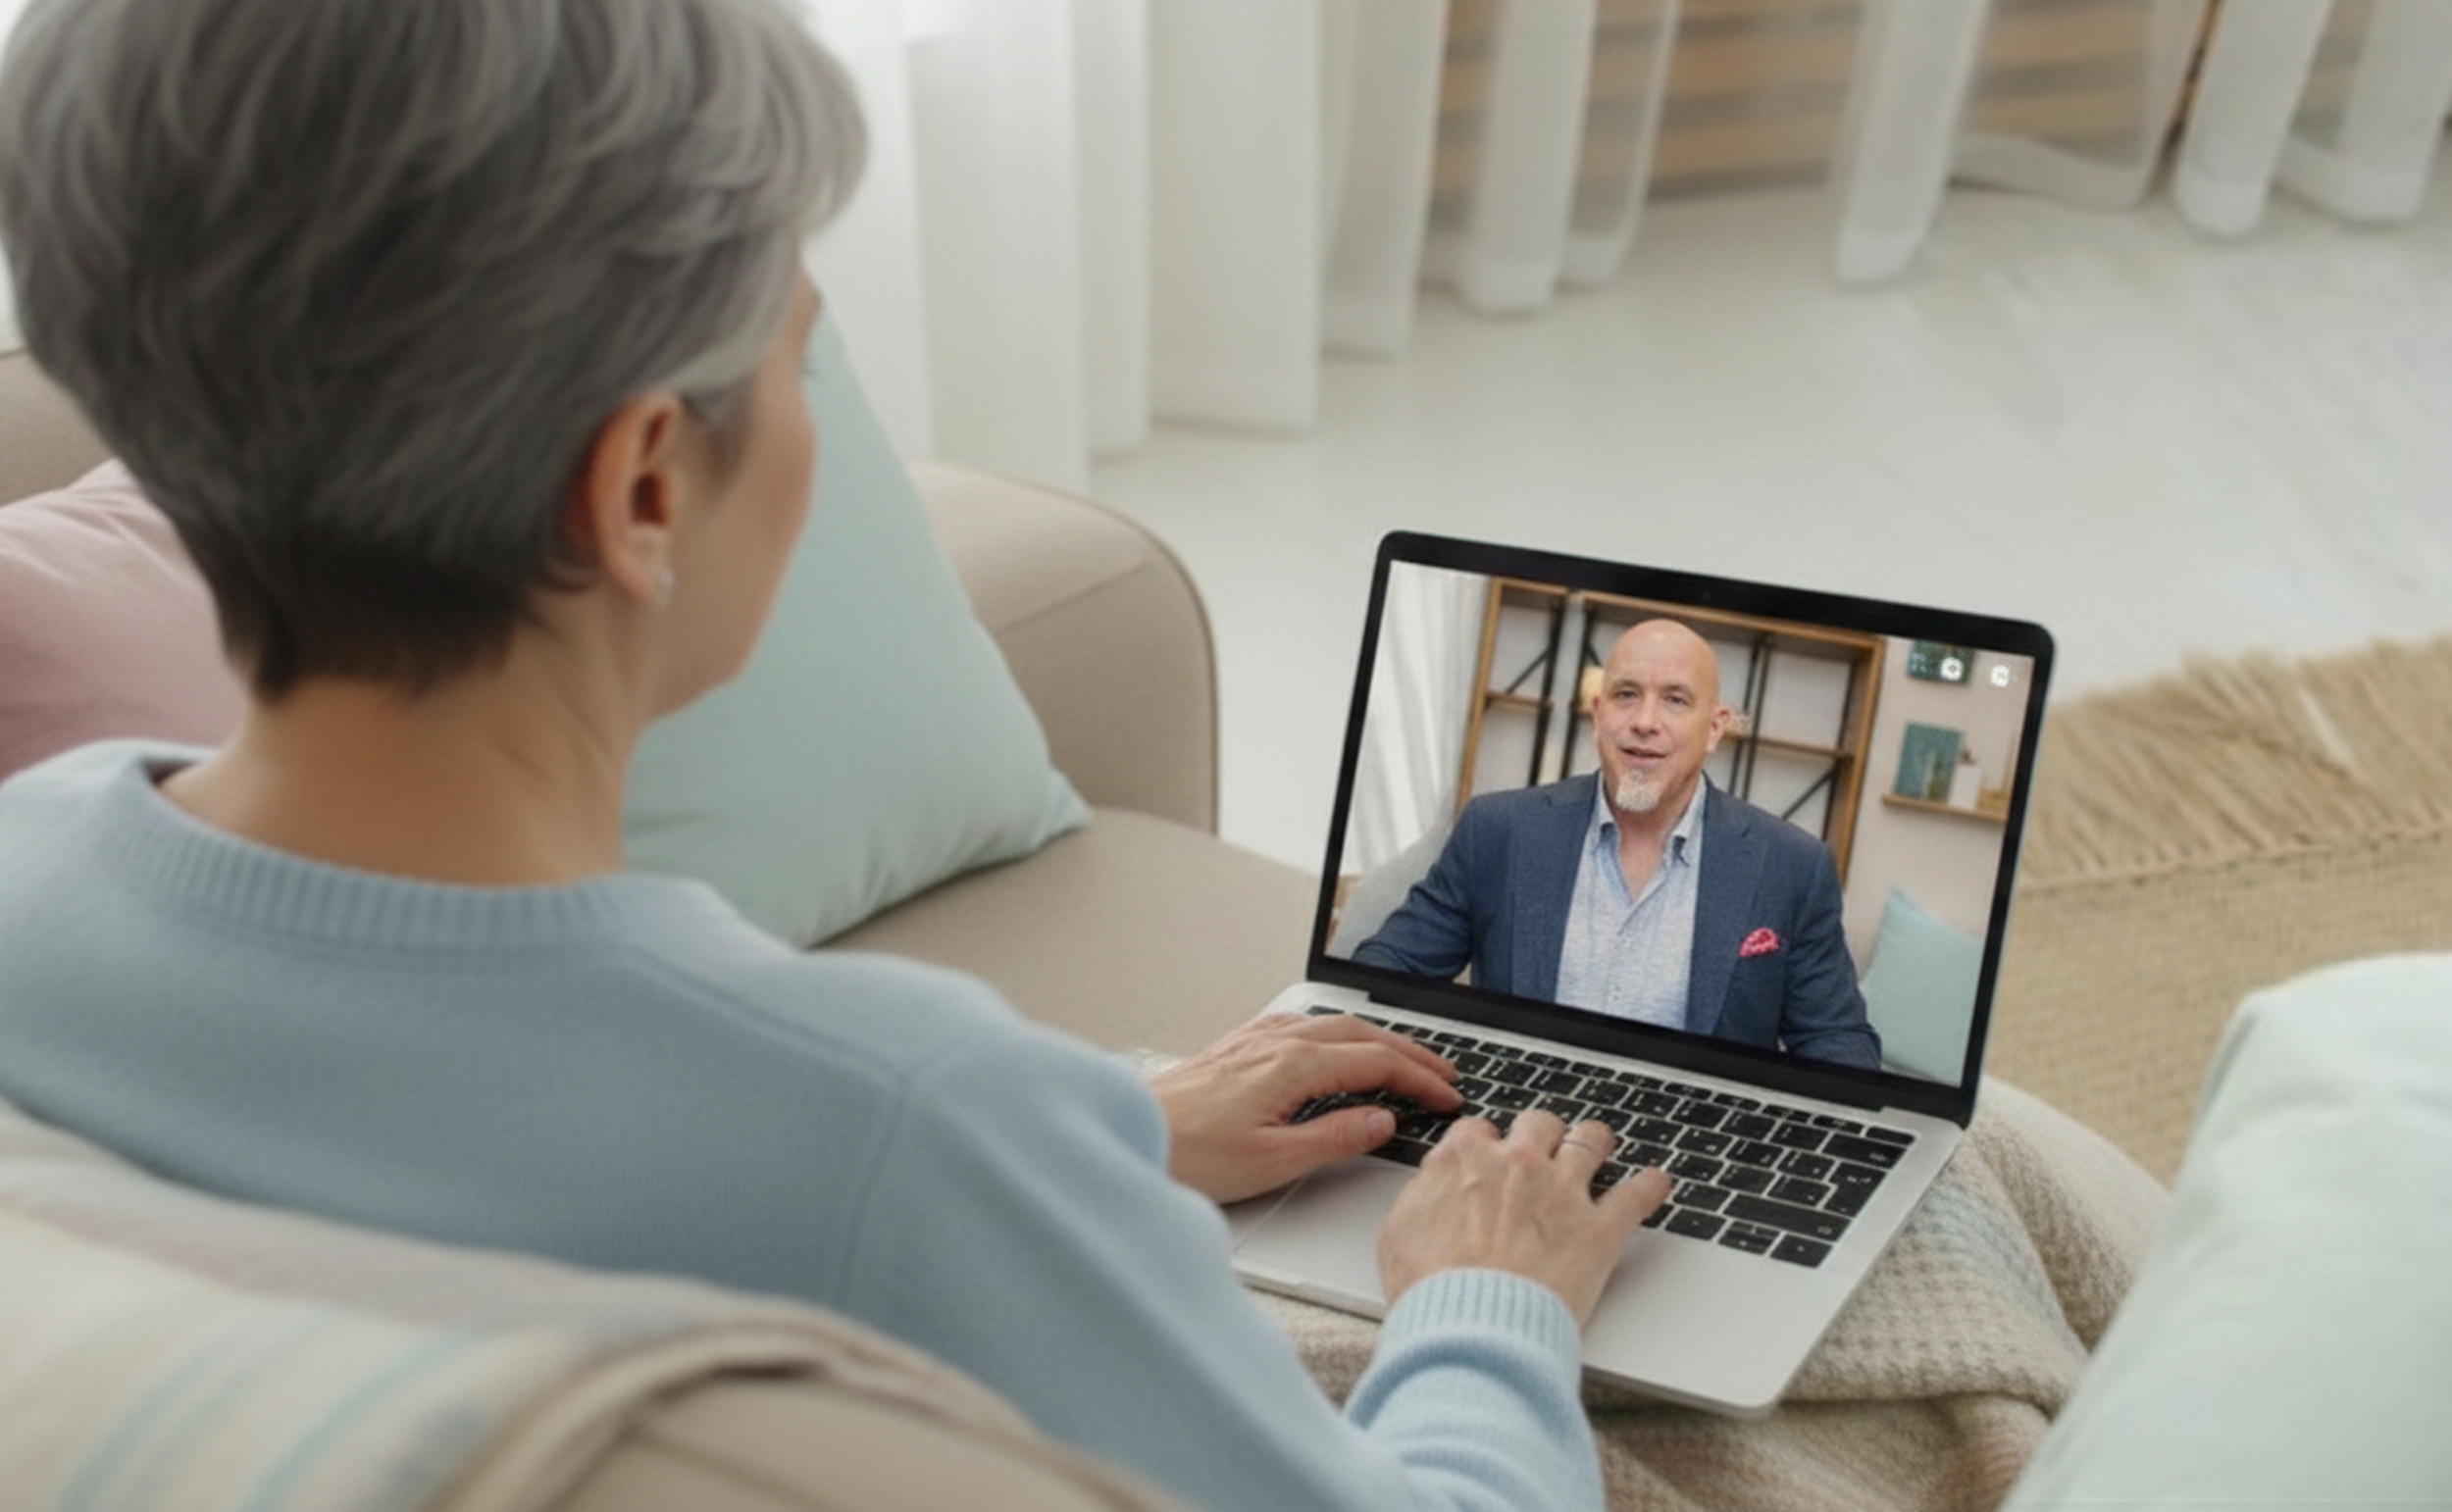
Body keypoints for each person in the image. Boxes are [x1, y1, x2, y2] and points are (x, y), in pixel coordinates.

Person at [0, 2, 1673, 1510]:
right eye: (798, 356)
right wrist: (1489, 1295)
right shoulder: (900, 1122)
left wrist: (1098, 1128)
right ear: (643, 488)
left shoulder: (33, 866)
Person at [1354, 619, 1882, 1069]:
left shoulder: (1793, 866)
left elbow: (1838, 1043)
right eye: (1626, 695)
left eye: (1675, 700)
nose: (1645, 723)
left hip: (1690, 1139)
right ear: (1598, 712)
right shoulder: (1499, 829)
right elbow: (1388, 970)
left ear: (1715, 728)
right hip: (1515, 1128)